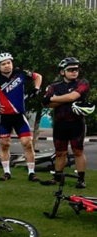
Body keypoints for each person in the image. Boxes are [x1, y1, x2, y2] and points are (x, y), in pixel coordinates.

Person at [0, 52, 43, 182]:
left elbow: (38, 76)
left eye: (8, 63)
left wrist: (36, 88)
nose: (7, 65)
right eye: (3, 64)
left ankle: (32, 173)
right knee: (4, 144)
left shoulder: (21, 73)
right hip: (4, 117)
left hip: (19, 116)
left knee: (27, 143)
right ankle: (6, 172)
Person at [41, 57, 92, 189]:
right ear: (62, 72)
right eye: (70, 69)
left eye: (76, 69)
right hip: (60, 123)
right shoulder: (54, 86)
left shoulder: (82, 82)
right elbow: (45, 104)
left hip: (77, 123)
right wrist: (64, 99)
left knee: (78, 151)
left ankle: (81, 180)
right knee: (60, 152)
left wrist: (54, 98)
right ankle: (57, 177)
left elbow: (72, 97)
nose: (74, 72)